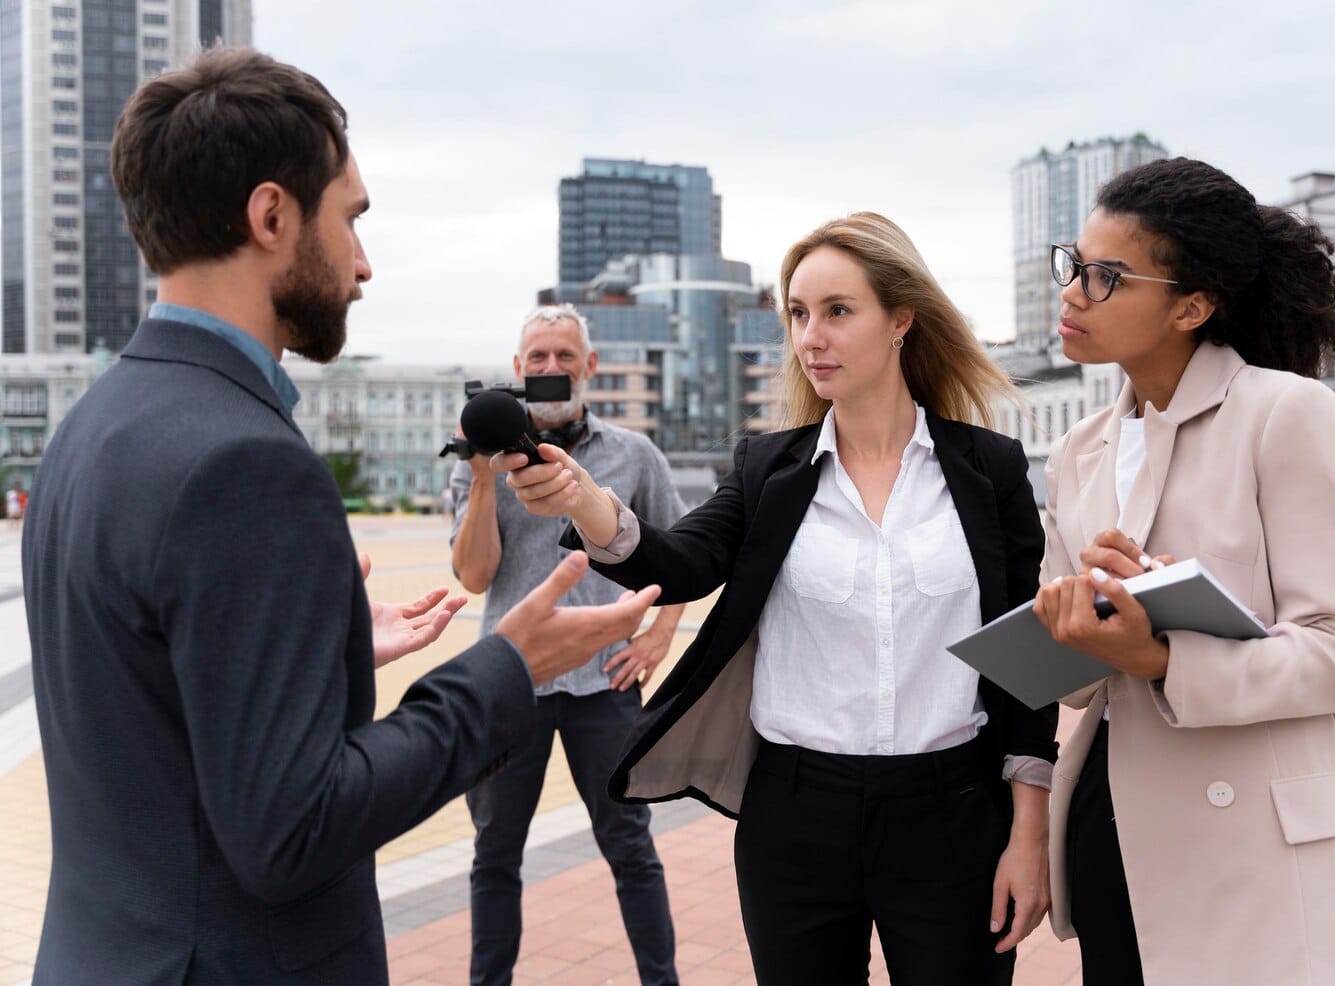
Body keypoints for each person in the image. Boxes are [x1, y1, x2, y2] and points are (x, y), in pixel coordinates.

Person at [20, 47, 659, 986]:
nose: (364, 264)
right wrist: (506, 669)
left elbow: (145, 704)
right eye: (350, 218)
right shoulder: (245, 462)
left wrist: (313, 661)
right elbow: (291, 830)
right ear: (272, 215)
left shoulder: (90, 429)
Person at [501, 212, 1057, 985]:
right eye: (798, 314)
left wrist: (1029, 832)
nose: (810, 337)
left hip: (953, 814)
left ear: (901, 319)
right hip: (795, 817)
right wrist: (583, 498)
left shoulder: (988, 469)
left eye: (837, 311)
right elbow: (682, 561)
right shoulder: (770, 470)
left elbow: (1027, 660)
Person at [1032, 157, 1335, 985]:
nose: (1072, 293)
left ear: (1192, 306)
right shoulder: (1077, 449)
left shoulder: (1286, 414)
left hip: (1255, 849)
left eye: (1105, 277)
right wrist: (1075, 623)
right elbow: (1076, 682)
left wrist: (1162, 656)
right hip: (1114, 826)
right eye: (1072, 265)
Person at [450, 303, 686, 986]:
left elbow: (683, 557)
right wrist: (483, 474)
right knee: (495, 855)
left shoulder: (634, 455)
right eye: (537, 359)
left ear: (589, 367)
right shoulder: (481, 458)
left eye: (564, 356)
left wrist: (658, 638)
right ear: (517, 371)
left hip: (602, 685)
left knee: (631, 849)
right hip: (509, 679)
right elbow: (473, 575)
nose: (551, 368)